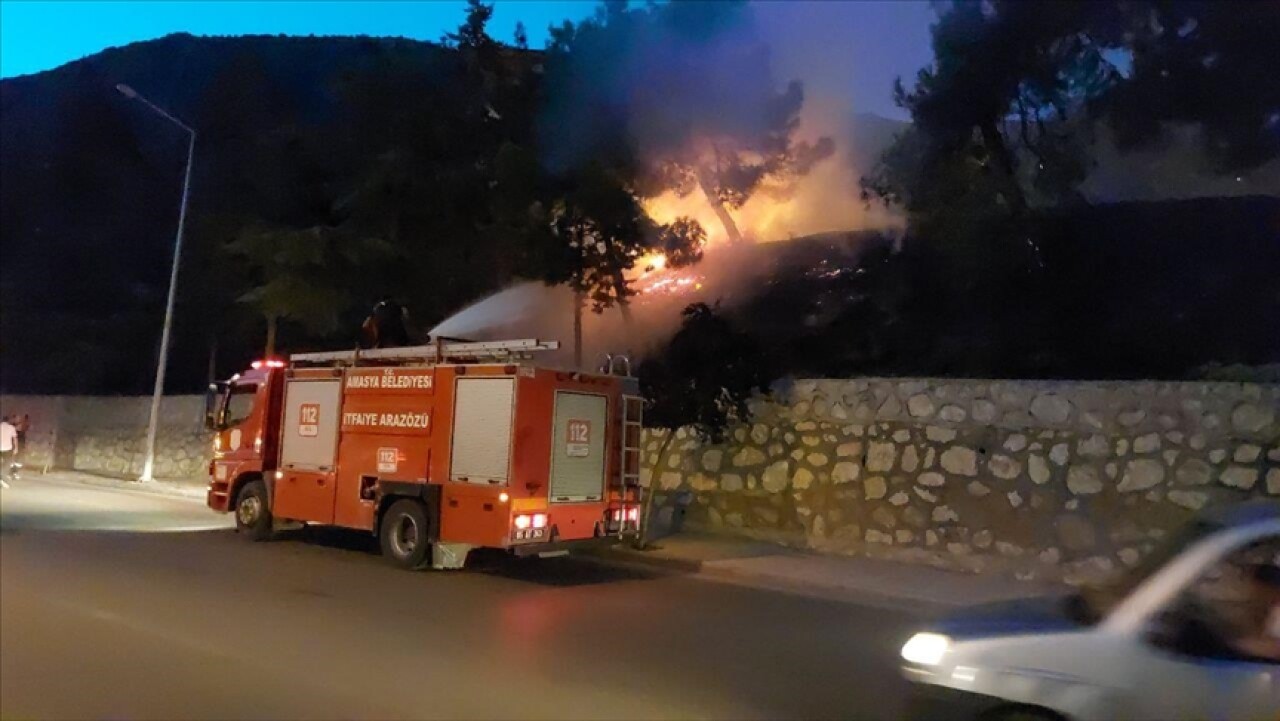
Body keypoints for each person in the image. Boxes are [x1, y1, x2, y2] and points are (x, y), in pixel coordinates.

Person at [0, 415, 17, 487]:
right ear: (8, 421)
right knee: (6, 464)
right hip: (7, 448)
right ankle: (2, 478)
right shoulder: (11, 428)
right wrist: (16, 448)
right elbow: (15, 438)